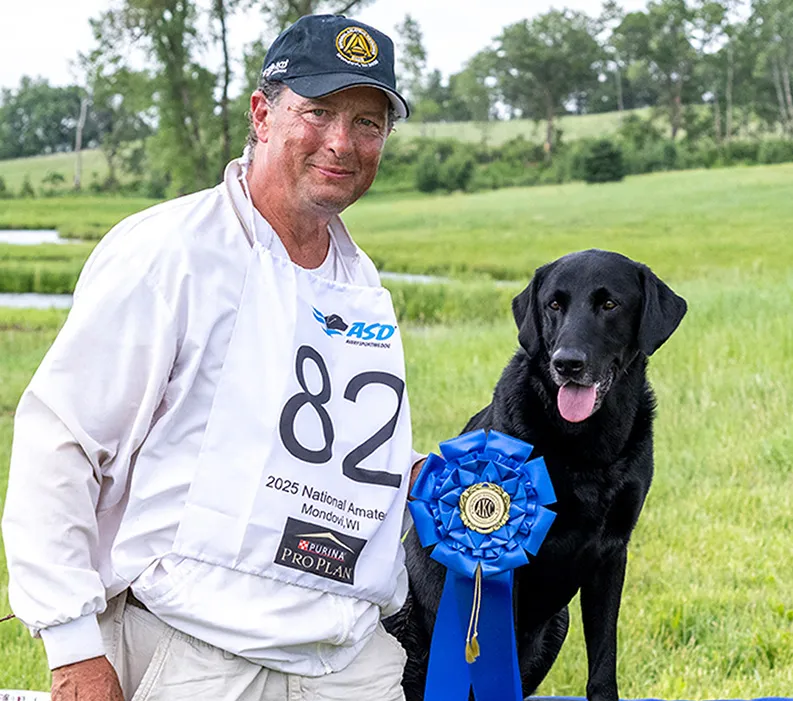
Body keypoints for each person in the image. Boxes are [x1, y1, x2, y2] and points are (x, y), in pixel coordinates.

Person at [2, 14, 425, 701]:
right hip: (192, 653)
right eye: (316, 111)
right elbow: (61, 442)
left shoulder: (361, 283)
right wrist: (74, 647)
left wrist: (429, 478)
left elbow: (314, 447)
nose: (342, 142)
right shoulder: (171, 251)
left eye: (368, 123)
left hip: (346, 662)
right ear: (261, 114)